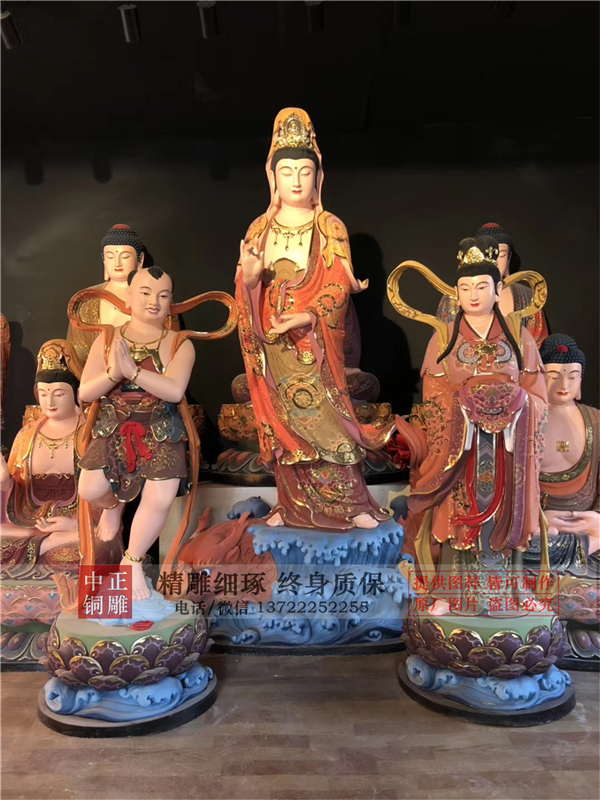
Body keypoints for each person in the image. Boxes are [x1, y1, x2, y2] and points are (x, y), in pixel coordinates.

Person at [235, 108, 394, 531]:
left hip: (316, 345)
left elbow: (339, 287)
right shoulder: (259, 228)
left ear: (318, 176)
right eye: (286, 171)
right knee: (283, 424)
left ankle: (353, 504)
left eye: (305, 171)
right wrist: (249, 278)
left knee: (330, 421)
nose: (296, 180)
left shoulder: (329, 227)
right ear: (272, 177)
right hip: (273, 345)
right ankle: (291, 506)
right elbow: (246, 288)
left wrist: (306, 315)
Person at [390, 237, 549, 615]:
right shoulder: (444, 339)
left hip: (509, 446)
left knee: (508, 515)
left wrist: (515, 402)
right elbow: (433, 398)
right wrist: (468, 402)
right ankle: (449, 593)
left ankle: (514, 590)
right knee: (456, 516)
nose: (473, 295)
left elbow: (538, 396)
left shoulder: (520, 338)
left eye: (481, 286)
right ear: (456, 294)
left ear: (498, 290)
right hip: (461, 449)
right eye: (464, 288)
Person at [437, 222, 549, 347]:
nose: (495, 261)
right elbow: (442, 343)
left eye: (501, 255)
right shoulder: (451, 298)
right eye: (465, 289)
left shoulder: (527, 297)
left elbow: (537, 344)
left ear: (509, 258)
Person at [66, 224, 147, 369]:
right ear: (104, 260)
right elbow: (77, 349)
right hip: (96, 373)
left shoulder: (154, 295)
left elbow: (168, 344)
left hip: (141, 372)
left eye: (125, 256)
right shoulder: (86, 299)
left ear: (140, 260)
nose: (117, 263)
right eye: (110, 257)